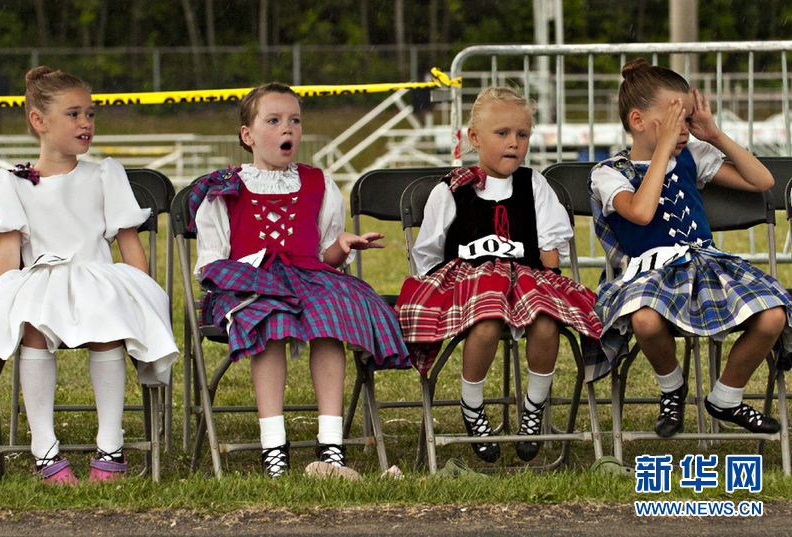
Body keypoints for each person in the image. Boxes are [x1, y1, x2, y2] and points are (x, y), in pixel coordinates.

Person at [189, 82, 410, 479]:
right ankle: (273, 445)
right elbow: (212, 260)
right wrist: (246, 279)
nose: (286, 129)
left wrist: (341, 246)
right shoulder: (226, 188)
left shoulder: (318, 183)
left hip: (310, 277)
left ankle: (331, 444)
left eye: (294, 120)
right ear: (248, 135)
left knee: (331, 320)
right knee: (269, 320)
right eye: (273, 121)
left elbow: (325, 254)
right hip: (250, 280)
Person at [0, 66, 179, 484]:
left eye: (90, 113)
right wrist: (5, 297)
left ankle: (111, 443)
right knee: (34, 323)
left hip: (97, 274)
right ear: (39, 121)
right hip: (43, 276)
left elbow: (129, 247)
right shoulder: (12, 181)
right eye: (73, 114)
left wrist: (139, 295)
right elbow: (10, 255)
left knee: (106, 319)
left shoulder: (105, 173)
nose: (86, 122)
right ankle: (44, 448)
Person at [396, 86, 603, 463]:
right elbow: (428, 254)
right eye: (502, 133)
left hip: (524, 279)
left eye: (522, 135)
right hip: (470, 284)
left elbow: (549, 254)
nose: (514, 143)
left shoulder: (533, 184)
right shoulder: (452, 190)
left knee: (546, 321)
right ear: (474, 138)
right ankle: (472, 406)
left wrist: (546, 289)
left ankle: (533, 409)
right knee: (488, 319)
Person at [589, 58, 792, 438]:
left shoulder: (693, 156)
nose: (684, 130)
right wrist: (663, 152)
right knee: (646, 320)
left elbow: (762, 180)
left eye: (687, 120)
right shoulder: (608, 173)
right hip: (648, 274)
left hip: (705, 266)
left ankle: (726, 396)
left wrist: (714, 135)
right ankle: (672, 388)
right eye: (675, 120)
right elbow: (643, 212)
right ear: (637, 122)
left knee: (773, 316)